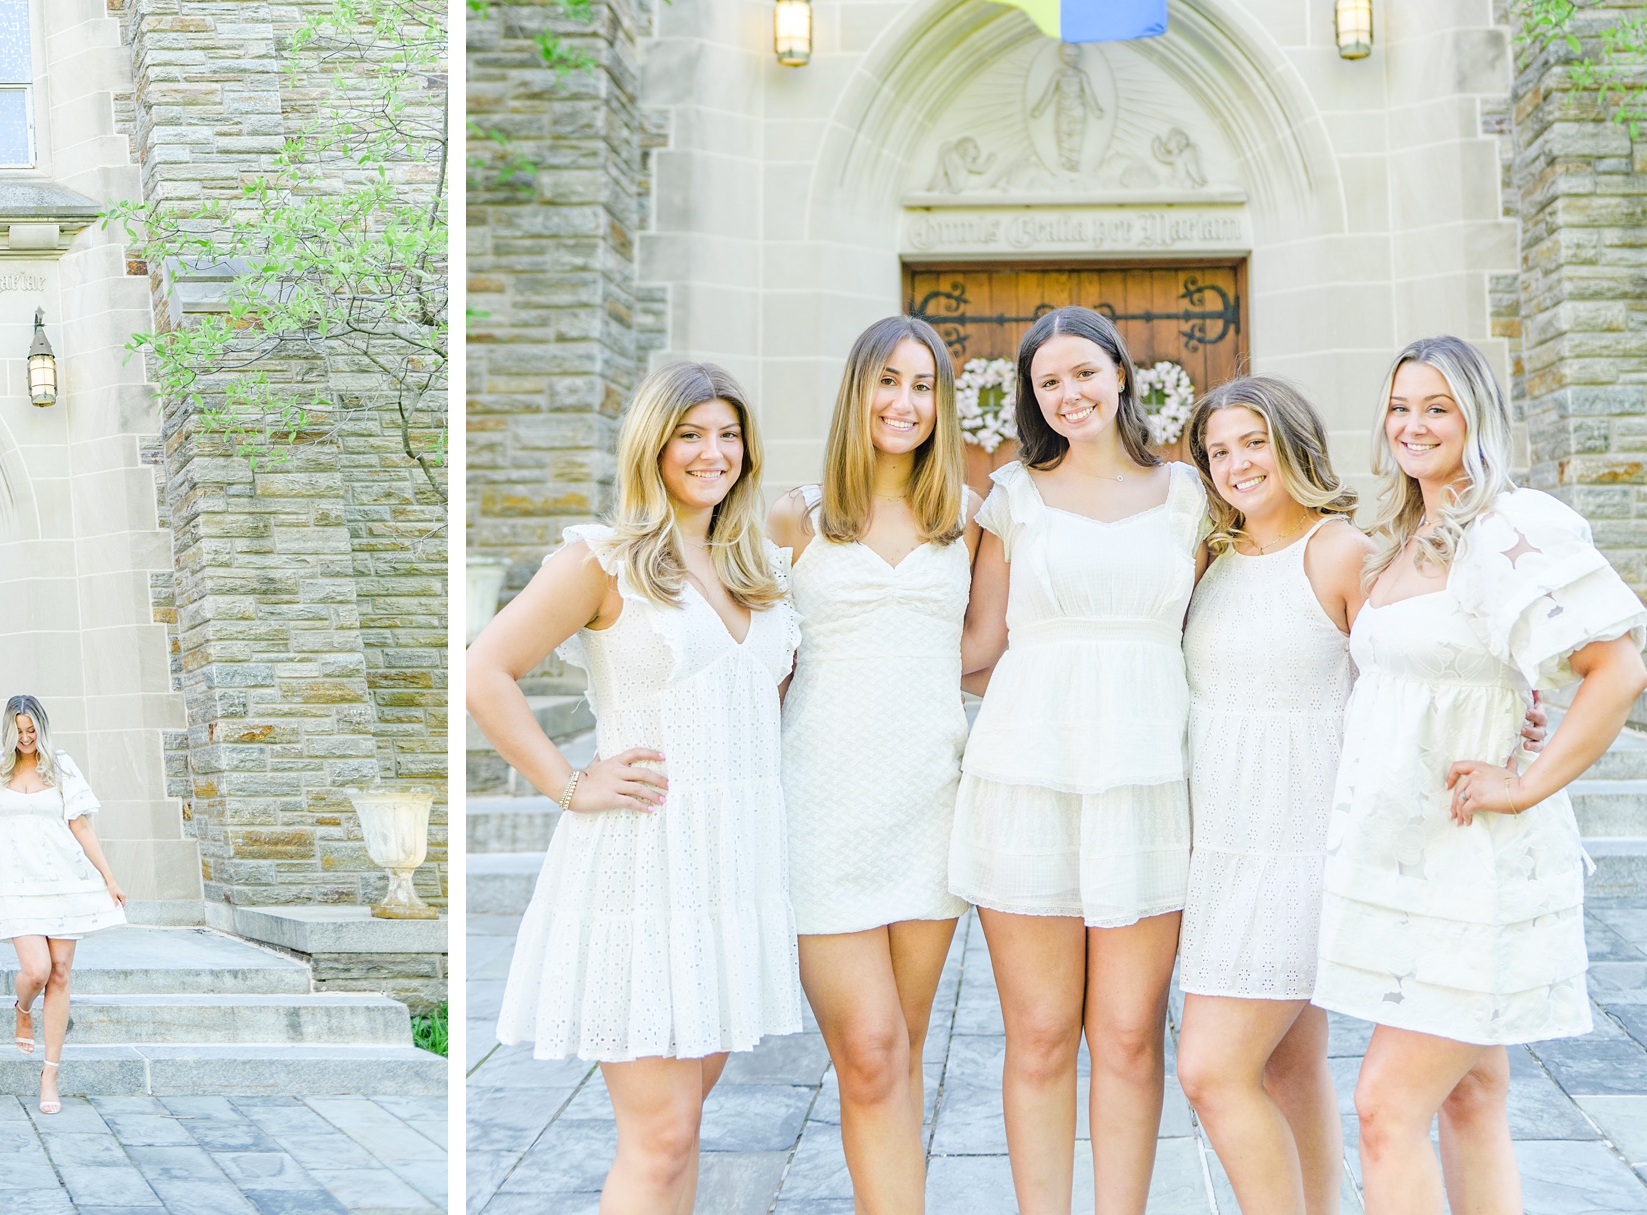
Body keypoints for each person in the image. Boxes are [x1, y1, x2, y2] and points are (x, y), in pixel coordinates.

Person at [1172, 377, 1542, 1213]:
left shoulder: (1341, 551)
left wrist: (1510, 712)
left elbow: (1420, 663)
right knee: (1288, 1065)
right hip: (1223, 846)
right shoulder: (1213, 558)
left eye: (1253, 442)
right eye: (1219, 450)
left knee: (1209, 1071)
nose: (1236, 464)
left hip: (1301, 847)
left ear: (1293, 443)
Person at [1315, 336, 1647, 1214]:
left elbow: (1617, 671)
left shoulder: (1510, 525)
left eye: (1438, 407)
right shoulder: (1402, 532)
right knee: (1470, 1094)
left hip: (1474, 862)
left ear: (1476, 419)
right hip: (1406, 854)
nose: (1413, 425)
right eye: (1400, 406)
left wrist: (1526, 781)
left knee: (1384, 1108)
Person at [467, 360, 802, 1215]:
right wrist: (570, 783)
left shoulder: (759, 567)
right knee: (657, 1139)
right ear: (652, 444)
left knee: (684, 1129)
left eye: (728, 435)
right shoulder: (603, 559)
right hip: (643, 871)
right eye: (690, 434)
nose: (711, 452)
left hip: (732, 878)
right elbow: (484, 671)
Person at [949, 306, 1203, 1215]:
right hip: (1030, 770)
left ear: (1121, 375)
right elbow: (977, 643)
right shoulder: (1010, 496)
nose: (1068, 395)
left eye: (1083, 374)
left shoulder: (1188, 495)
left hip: (1147, 777)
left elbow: (1242, 624)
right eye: (1048, 382)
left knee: (1131, 1036)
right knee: (1044, 1034)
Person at [766, 316, 981, 1215]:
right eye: (888, 382)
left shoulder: (968, 519)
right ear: (857, 392)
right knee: (869, 1052)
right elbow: (759, 667)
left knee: (903, 1051)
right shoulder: (796, 517)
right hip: (824, 808)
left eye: (924, 385)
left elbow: (991, 645)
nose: (905, 403)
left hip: (931, 802)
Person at [0, 693, 127, 1116]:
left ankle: (50, 1074)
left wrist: (109, 877)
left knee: (59, 973)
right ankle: (22, 1008)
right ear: (8, 731)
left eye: (31, 729)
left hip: (63, 878)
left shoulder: (61, 765)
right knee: (36, 970)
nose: (25, 738)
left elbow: (80, 824)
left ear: (41, 725)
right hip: (15, 880)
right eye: (18, 731)